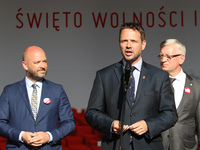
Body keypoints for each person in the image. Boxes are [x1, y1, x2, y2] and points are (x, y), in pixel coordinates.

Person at [85, 22, 178, 150]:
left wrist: (148, 125)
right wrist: (111, 124)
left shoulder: (159, 76)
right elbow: (91, 113)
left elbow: (170, 114)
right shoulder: (104, 75)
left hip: (148, 145)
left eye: (133, 41)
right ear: (119, 43)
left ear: (143, 45)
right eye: (124, 41)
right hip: (115, 145)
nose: (128, 45)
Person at [0, 46, 75, 150]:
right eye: (37, 62)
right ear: (25, 65)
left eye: (45, 61)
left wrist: (49, 136)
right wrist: (21, 135)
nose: (43, 66)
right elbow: (0, 123)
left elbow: (69, 122)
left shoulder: (57, 90)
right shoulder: (9, 91)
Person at [159, 39, 200, 150]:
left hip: (185, 147)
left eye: (168, 56)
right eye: (161, 56)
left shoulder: (196, 88)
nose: (163, 60)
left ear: (181, 58)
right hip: (159, 145)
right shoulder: (153, 84)